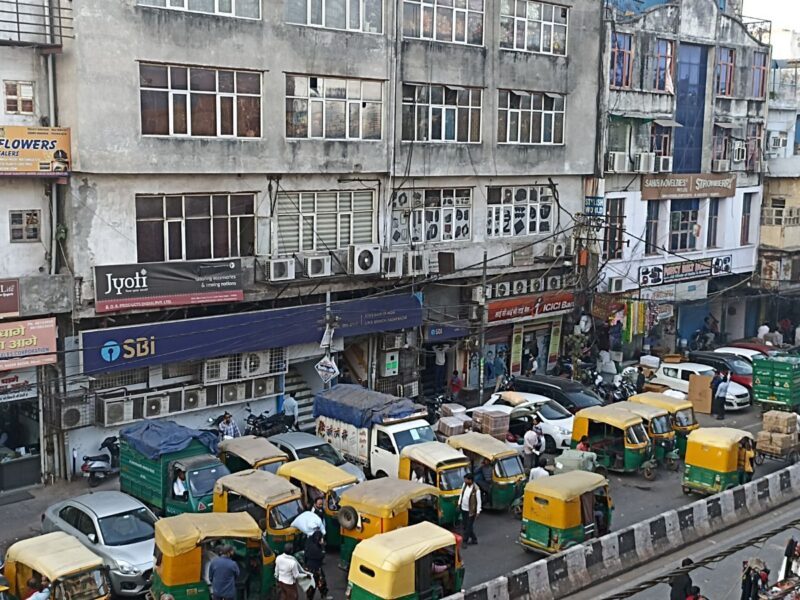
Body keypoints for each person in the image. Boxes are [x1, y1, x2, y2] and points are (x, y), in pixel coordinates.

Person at [304, 530, 331, 600]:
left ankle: (309, 598)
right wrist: (322, 546)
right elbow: (322, 556)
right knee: (321, 582)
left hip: (308, 568)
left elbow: (305, 557)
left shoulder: (309, 544)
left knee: (311, 585)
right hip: (316, 569)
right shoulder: (317, 549)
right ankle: (323, 595)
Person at [458, 473, 480, 545]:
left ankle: (465, 541)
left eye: (466, 479)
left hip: (471, 511)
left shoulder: (476, 489)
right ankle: (474, 539)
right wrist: (459, 503)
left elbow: (479, 501)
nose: (465, 481)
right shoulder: (464, 485)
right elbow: (461, 494)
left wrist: (478, 511)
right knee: (465, 525)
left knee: (468, 527)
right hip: (463, 508)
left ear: (470, 480)